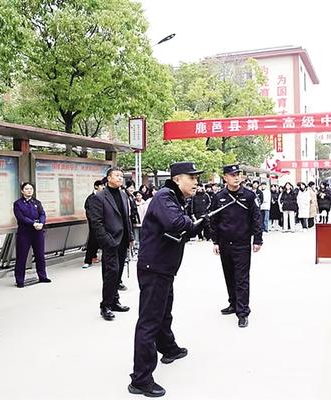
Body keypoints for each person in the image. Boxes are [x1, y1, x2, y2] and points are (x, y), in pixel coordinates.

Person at [129, 161, 204, 397]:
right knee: (149, 321)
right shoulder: (165, 197)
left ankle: (168, 348)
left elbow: (181, 231)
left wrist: (199, 224)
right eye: (191, 178)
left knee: (163, 312)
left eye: (196, 178)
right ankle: (141, 379)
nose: (196, 182)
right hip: (154, 268)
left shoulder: (176, 199)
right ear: (177, 179)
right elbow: (176, 223)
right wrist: (193, 223)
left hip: (164, 268)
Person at [210, 164, 263, 328]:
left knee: (241, 279)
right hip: (225, 243)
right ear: (225, 177)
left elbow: (256, 218)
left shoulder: (249, 196)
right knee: (229, 275)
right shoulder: (219, 197)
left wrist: (258, 239)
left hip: (242, 243)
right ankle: (233, 303)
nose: (236, 177)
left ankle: (243, 312)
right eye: (233, 175)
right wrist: (215, 241)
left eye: (238, 174)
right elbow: (214, 221)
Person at [88, 167, 133, 321]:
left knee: (118, 273)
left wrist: (130, 237)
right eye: (117, 175)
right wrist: (106, 241)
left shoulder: (123, 194)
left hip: (123, 240)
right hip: (110, 241)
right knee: (111, 273)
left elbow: (127, 218)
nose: (120, 178)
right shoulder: (99, 197)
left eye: (121, 176)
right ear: (108, 178)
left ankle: (114, 301)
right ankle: (105, 305)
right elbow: (96, 223)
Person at [13, 182, 49, 287]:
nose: (29, 191)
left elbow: (42, 214)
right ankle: (20, 280)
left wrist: (41, 223)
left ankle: (42, 276)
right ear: (22, 191)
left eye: (31, 189)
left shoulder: (37, 202)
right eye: (27, 189)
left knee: (40, 255)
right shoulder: (18, 204)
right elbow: (21, 217)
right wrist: (33, 223)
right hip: (24, 233)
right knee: (21, 257)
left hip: (38, 232)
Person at [83, 179, 105, 269]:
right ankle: (87, 261)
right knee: (92, 241)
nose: (103, 187)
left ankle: (98, 257)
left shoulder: (104, 196)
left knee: (103, 241)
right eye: (101, 186)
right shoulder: (91, 198)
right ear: (96, 186)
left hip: (103, 223)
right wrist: (93, 221)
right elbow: (88, 210)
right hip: (94, 224)